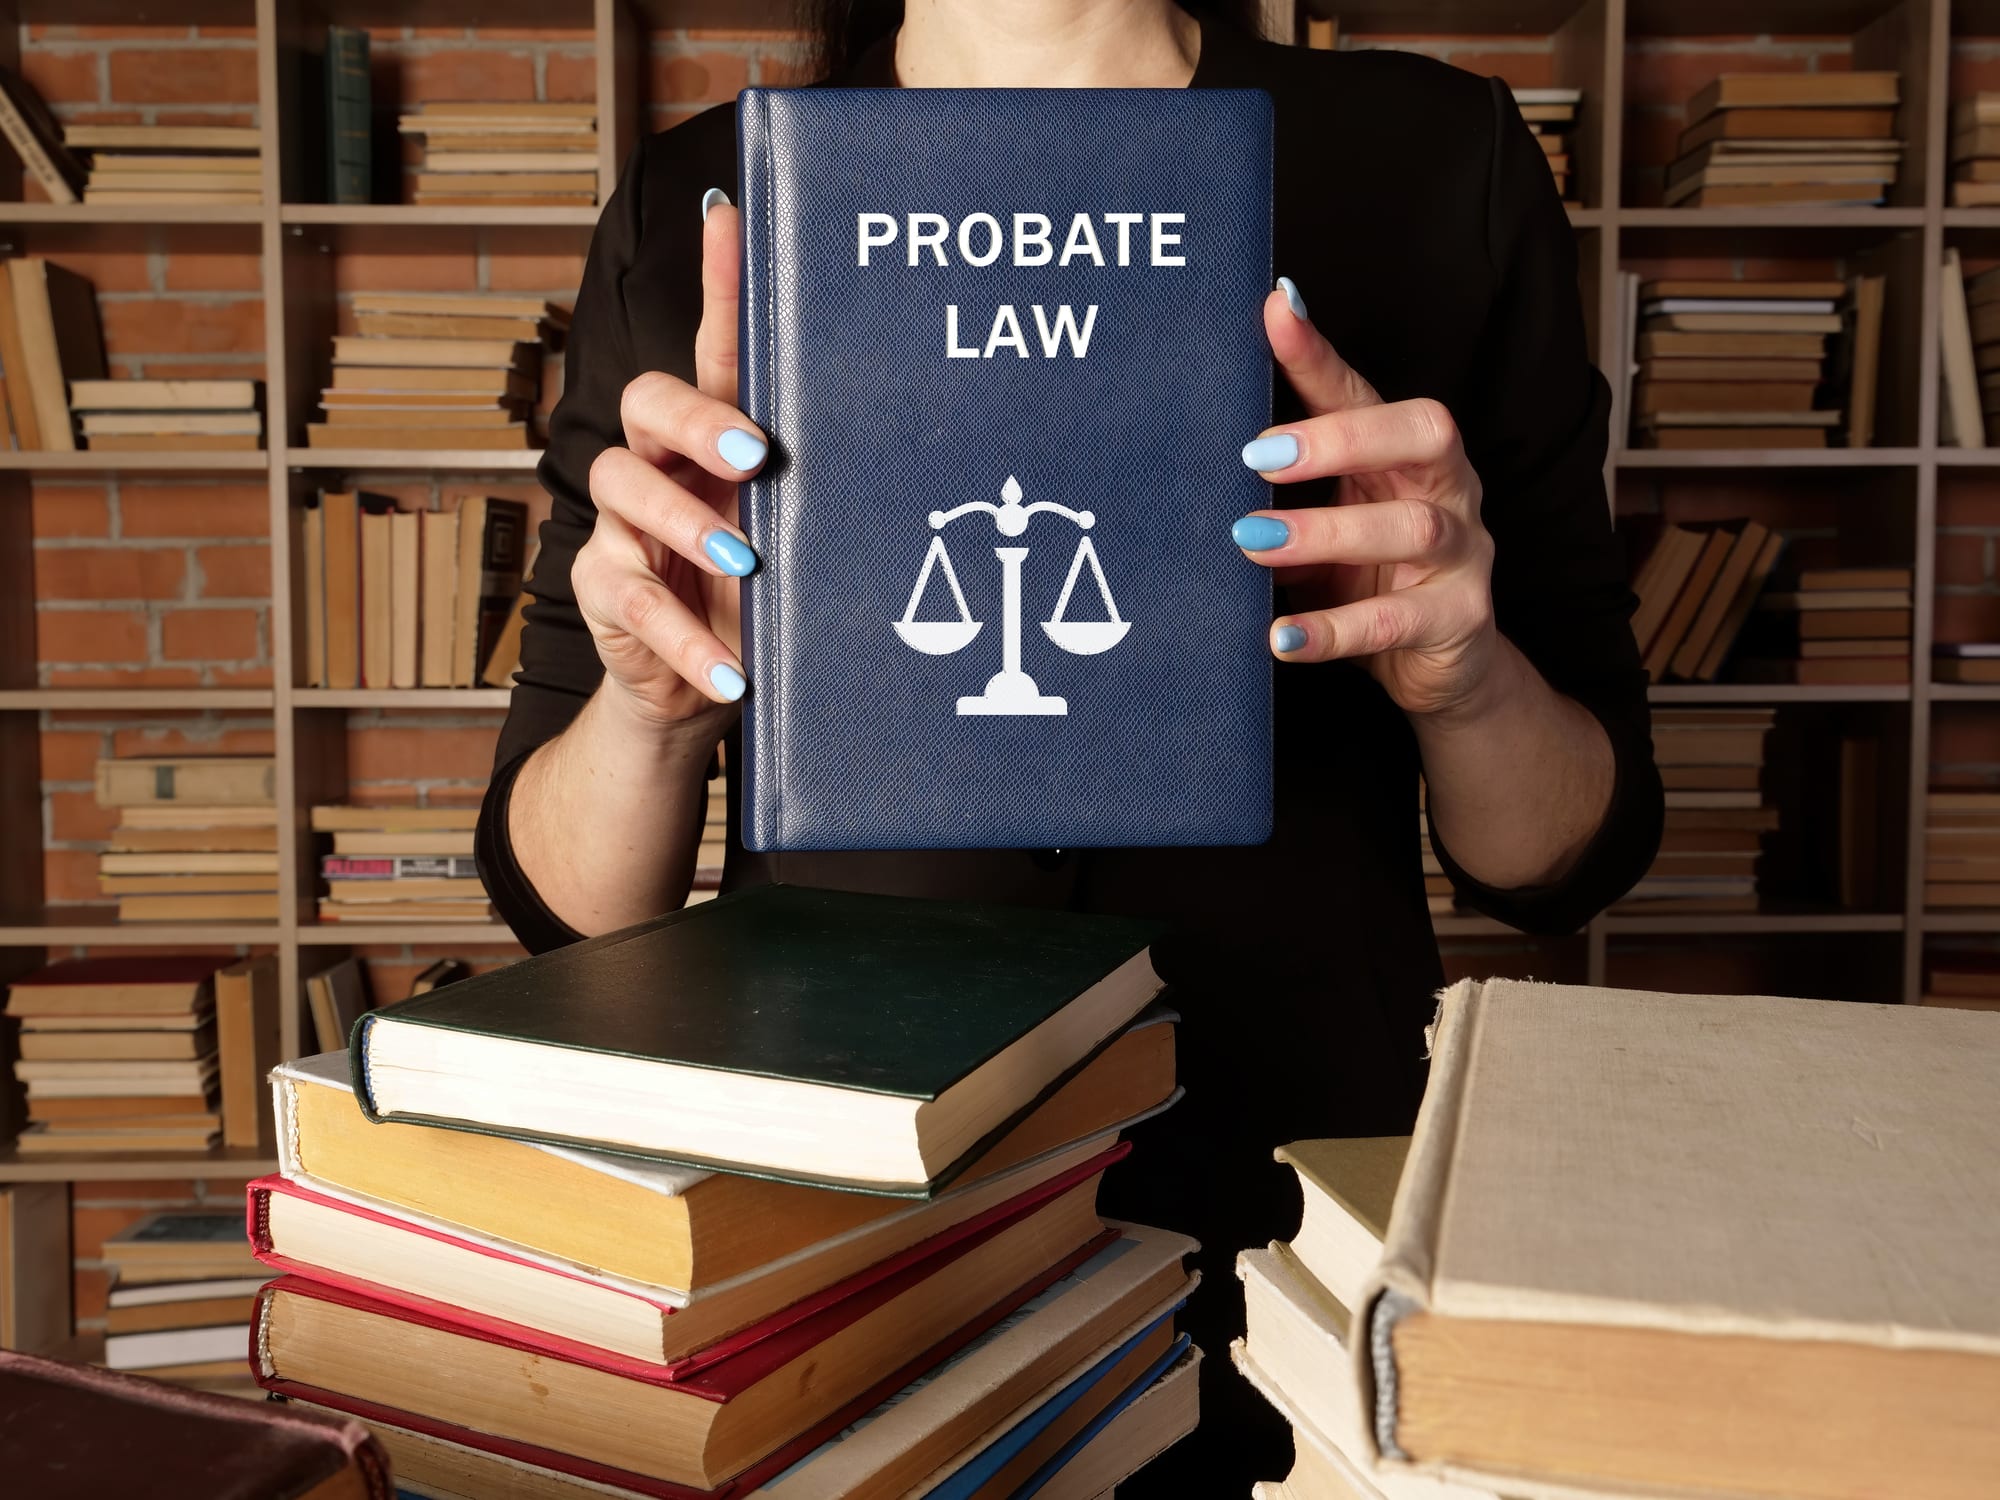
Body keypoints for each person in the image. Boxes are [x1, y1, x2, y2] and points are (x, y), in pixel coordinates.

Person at [475, 1, 1664, 1488]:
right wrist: (652, 703)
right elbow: (564, 903)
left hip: (1293, 1199)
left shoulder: (1439, 162)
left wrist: (1467, 675)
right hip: (843, 1225)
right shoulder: (706, 200)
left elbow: (1563, 860)